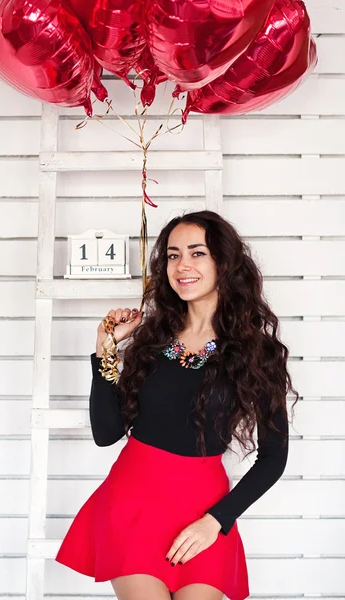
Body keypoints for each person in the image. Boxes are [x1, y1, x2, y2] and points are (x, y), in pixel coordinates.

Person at [55, 210, 297, 600]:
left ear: (224, 261)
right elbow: (107, 433)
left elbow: (273, 457)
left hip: (205, 512)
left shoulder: (257, 352)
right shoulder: (152, 341)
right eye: (172, 255)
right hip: (131, 503)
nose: (182, 265)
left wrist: (216, 521)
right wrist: (106, 349)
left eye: (197, 253)